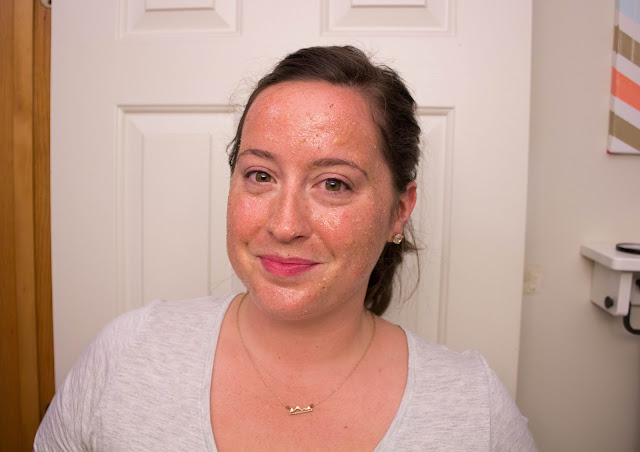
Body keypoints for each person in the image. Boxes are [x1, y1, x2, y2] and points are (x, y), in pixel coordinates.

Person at [35, 46, 536, 451]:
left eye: (334, 184)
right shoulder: (128, 355)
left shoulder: (474, 408)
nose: (285, 225)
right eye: (260, 175)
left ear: (399, 211)